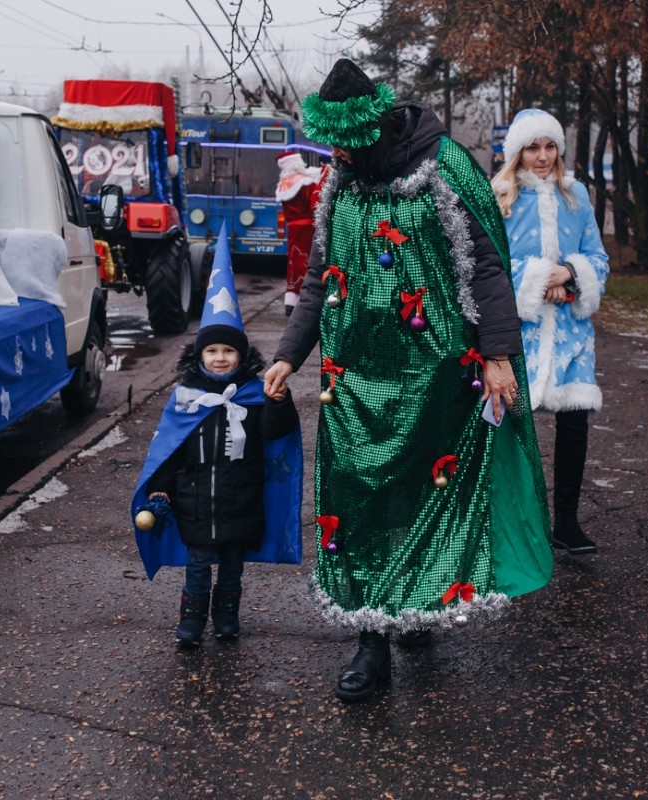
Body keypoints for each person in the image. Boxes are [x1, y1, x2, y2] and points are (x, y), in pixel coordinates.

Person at [263, 59, 553, 702]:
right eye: (330, 144)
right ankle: (372, 643)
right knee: (361, 504)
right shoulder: (338, 183)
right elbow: (319, 279)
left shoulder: (444, 167)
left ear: (375, 129)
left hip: (436, 376)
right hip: (356, 381)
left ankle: (418, 599)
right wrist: (289, 353)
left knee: (429, 497)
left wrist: (498, 355)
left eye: (344, 143)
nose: (334, 154)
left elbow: (486, 268)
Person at [133, 230, 302, 646]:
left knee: (232, 566)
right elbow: (168, 452)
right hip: (194, 504)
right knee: (196, 566)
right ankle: (191, 621)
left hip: (240, 500)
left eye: (229, 352)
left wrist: (278, 402)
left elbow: (273, 436)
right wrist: (160, 491)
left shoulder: (253, 398)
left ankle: (227, 616)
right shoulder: (186, 400)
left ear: (241, 358)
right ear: (200, 356)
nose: (221, 358)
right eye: (213, 352)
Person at [491, 109, 610, 556]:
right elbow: (491, 265)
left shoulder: (575, 195)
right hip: (519, 327)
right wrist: (541, 279)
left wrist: (570, 275)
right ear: (518, 151)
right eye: (532, 147)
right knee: (512, 423)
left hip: (571, 332)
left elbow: (598, 258)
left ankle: (567, 521)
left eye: (549, 146)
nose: (542, 157)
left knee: (574, 420)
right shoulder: (500, 195)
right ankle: (515, 520)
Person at [274, 150, 326, 315]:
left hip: (293, 228)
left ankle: (291, 299)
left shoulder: (284, 184)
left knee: (293, 261)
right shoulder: (305, 184)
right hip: (307, 228)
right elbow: (315, 202)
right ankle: (305, 297)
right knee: (307, 261)